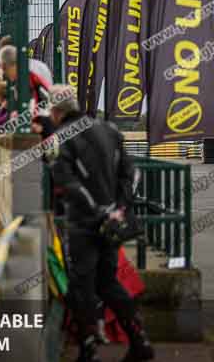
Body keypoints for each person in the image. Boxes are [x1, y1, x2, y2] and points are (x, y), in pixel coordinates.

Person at [46, 85, 153, 362]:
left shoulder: (60, 138)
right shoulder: (109, 130)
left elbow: (68, 183)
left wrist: (97, 213)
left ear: (56, 112)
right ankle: (139, 339)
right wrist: (118, 210)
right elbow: (131, 175)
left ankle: (88, 348)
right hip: (112, 223)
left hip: (83, 225)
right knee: (108, 282)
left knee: (81, 286)